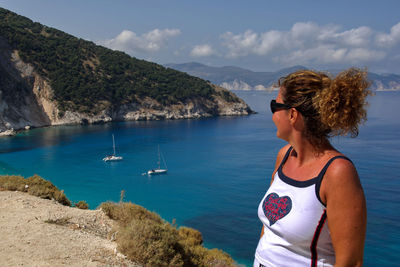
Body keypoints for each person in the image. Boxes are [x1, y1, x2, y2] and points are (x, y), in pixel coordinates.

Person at [254, 68, 371, 267]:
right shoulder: (284, 156)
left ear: (292, 114)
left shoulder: (337, 172)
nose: (272, 114)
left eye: (275, 106)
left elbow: (351, 262)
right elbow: (270, 230)